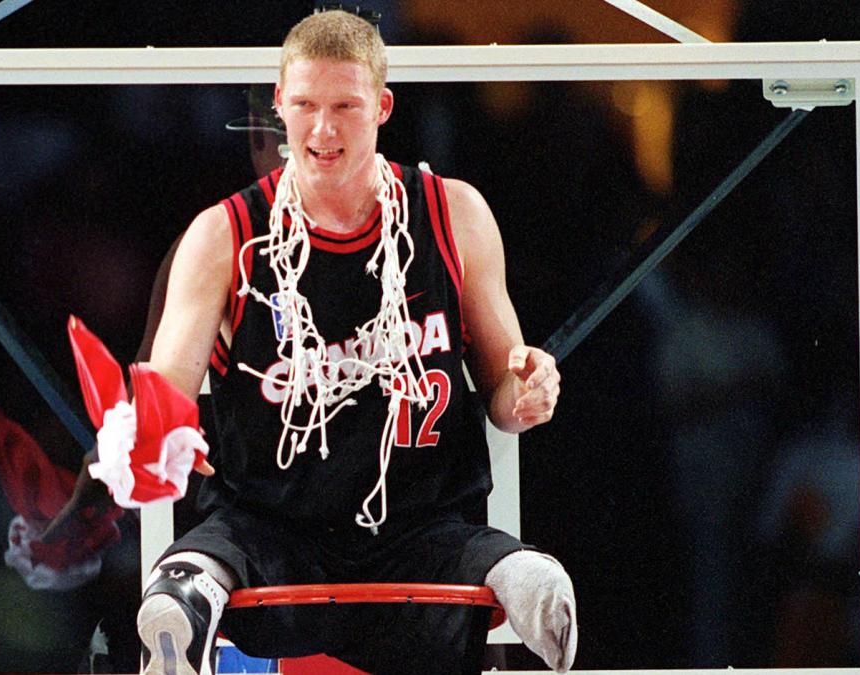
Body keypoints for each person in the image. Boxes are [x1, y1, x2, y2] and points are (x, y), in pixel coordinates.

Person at [92, 10, 576, 675]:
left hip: (420, 523)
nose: (322, 129)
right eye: (305, 105)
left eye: (345, 105)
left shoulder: (452, 212)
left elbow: (503, 391)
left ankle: (534, 589)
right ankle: (183, 610)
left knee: (501, 561)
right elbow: (167, 388)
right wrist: (147, 433)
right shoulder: (223, 233)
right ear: (279, 106)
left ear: (382, 106)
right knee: (206, 559)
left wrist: (527, 389)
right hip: (272, 522)